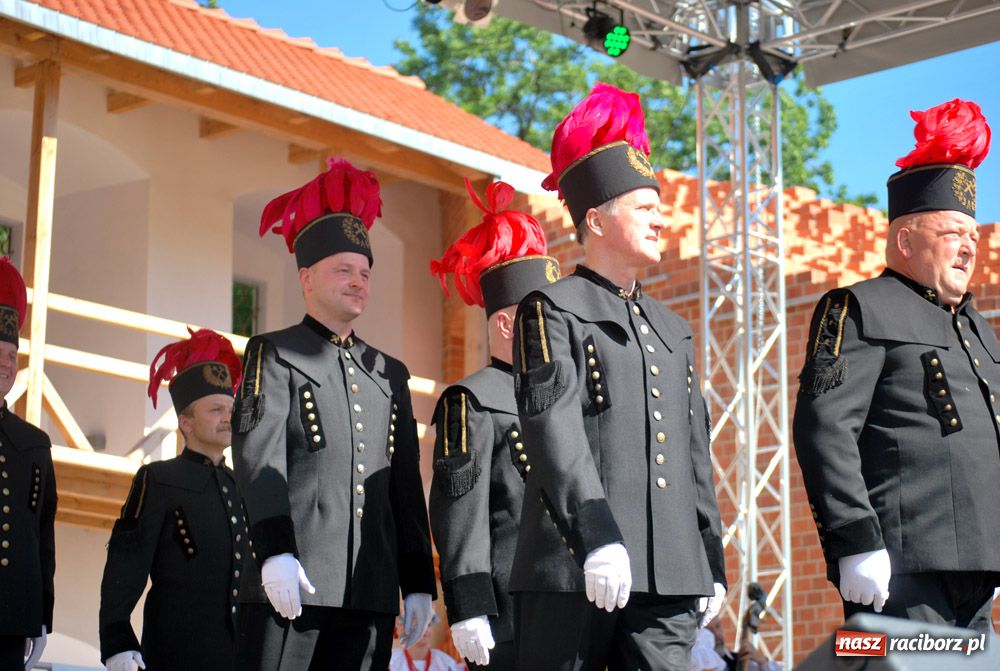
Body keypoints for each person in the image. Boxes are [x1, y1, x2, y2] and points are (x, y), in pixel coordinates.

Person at [510, 83, 727, 671]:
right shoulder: (551, 309)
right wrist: (597, 533)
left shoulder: (673, 328)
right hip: (574, 563)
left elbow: (694, 452)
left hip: (670, 573)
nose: (661, 221)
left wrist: (710, 556)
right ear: (597, 220)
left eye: (660, 209)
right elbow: (553, 430)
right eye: (644, 209)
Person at [793, 98, 1000, 632]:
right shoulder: (859, 307)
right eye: (952, 234)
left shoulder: (978, 327)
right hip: (900, 570)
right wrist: (854, 540)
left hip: (978, 572)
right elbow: (824, 429)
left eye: (972, 237)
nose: (967, 249)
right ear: (905, 240)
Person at [232, 157, 436, 670]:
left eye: (364, 273)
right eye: (344, 270)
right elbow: (259, 460)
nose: (358, 282)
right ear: (306, 278)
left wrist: (417, 583)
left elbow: (405, 488)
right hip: (292, 584)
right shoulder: (274, 353)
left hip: (369, 594)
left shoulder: (389, 373)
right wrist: (275, 551)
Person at [427, 179, 559, 670]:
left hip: (572, 606)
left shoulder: (564, 396)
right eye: (540, 316)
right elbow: (459, 513)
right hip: (508, 613)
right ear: (505, 325)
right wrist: (469, 606)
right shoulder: (473, 400)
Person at [98, 328, 246, 671]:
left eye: (230, 408)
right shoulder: (158, 479)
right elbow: (125, 564)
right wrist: (117, 640)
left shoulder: (241, 486)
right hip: (175, 655)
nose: (227, 417)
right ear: (186, 423)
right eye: (215, 410)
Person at [0, 258, 55, 671]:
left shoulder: (33, 444)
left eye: (12, 354)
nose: (6, 363)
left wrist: (41, 615)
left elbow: (42, 539)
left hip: (11, 620)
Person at [388, 615, 466, 671]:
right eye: (416, 625)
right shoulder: (391, 660)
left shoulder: (444, 661)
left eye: (428, 624)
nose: (423, 629)